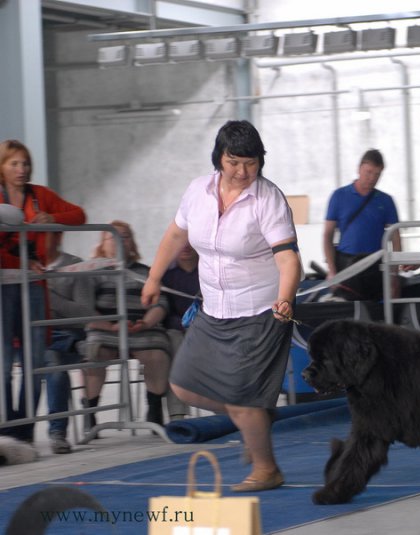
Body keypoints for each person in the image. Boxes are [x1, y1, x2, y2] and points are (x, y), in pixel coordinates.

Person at [142, 120, 301, 493]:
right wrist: (153, 277)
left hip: (262, 310)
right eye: (234, 162)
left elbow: (289, 258)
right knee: (182, 384)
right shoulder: (197, 190)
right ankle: (253, 423)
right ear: (219, 158)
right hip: (213, 308)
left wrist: (286, 299)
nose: (243, 171)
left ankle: (266, 469)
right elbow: (176, 234)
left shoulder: (268, 199)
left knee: (242, 396)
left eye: (251, 162)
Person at [0, 139, 86, 444]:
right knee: (5, 362)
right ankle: (6, 427)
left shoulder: (40, 195)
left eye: (25, 163)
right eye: (14, 163)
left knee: (35, 361)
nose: (21, 169)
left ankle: (22, 431)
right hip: (5, 286)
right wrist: (20, 261)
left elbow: (79, 215)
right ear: (2, 167)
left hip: (33, 286)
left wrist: (53, 219)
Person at [82, 220, 172, 429]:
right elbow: (83, 306)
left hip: (141, 329)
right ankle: (90, 412)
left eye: (124, 236)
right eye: (112, 237)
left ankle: (155, 409)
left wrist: (146, 322)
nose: (119, 241)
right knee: (95, 353)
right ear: (102, 244)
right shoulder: (91, 272)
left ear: (132, 243)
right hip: (105, 330)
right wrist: (108, 325)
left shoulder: (146, 272)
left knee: (157, 355)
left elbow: (161, 302)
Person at [323, 149, 401, 301]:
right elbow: (327, 236)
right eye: (368, 172)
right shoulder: (339, 196)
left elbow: (396, 238)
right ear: (359, 169)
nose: (372, 178)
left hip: (376, 265)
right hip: (347, 265)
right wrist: (332, 270)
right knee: (349, 311)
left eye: (377, 174)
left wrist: (394, 274)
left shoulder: (386, 201)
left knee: (376, 311)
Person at [42, 232, 95, 453]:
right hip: (34, 337)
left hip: (68, 334)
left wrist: (46, 297)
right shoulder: (20, 266)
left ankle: (57, 432)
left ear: (58, 236)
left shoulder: (75, 266)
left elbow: (85, 312)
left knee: (55, 365)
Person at [160, 243, 199, 421]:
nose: (185, 246)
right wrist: (183, 324)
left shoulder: (210, 268)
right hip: (175, 329)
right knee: (174, 343)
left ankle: (227, 409)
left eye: (190, 241)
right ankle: (177, 413)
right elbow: (164, 310)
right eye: (181, 241)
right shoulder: (164, 274)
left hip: (208, 326)